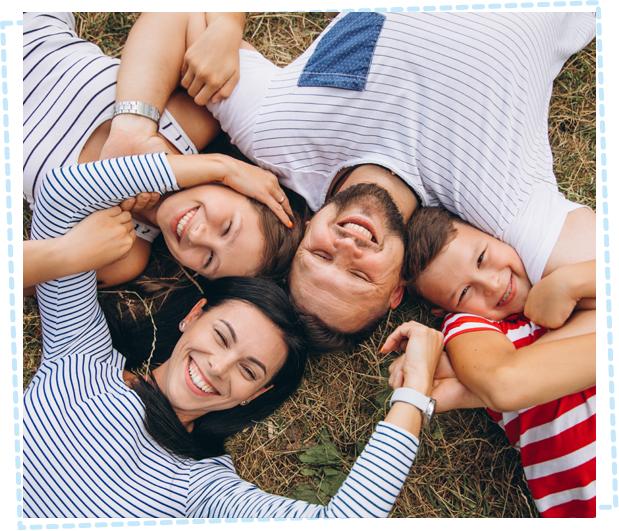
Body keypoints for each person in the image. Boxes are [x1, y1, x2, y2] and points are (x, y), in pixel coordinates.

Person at [101, 10, 597, 350]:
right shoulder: (505, 211)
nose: (348, 247)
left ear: (300, 239)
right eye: (361, 275)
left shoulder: (277, 136)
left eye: (320, 256)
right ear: (397, 290)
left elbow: (181, 18)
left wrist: (134, 125)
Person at [23, 152, 446, 519]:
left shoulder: (200, 490)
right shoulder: (79, 358)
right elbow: (65, 192)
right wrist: (220, 168)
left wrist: (413, 395)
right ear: (193, 315)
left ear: (255, 395)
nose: (218, 367)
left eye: (249, 370)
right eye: (222, 337)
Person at [21, 10, 304, 296]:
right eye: (227, 227)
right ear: (240, 186)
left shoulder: (123, 254)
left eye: (209, 260)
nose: (197, 236)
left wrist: (65, 254)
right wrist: (134, 130)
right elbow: (179, 16)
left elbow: (32, 282)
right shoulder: (193, 120)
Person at [388, 206, 597, 517]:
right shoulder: (472, 327)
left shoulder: (569, 265)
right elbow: (504, 381)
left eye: (482, 258)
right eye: (463, 293)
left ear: (494, 234)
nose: (493, 284)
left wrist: (570, 281)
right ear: (446, 313)